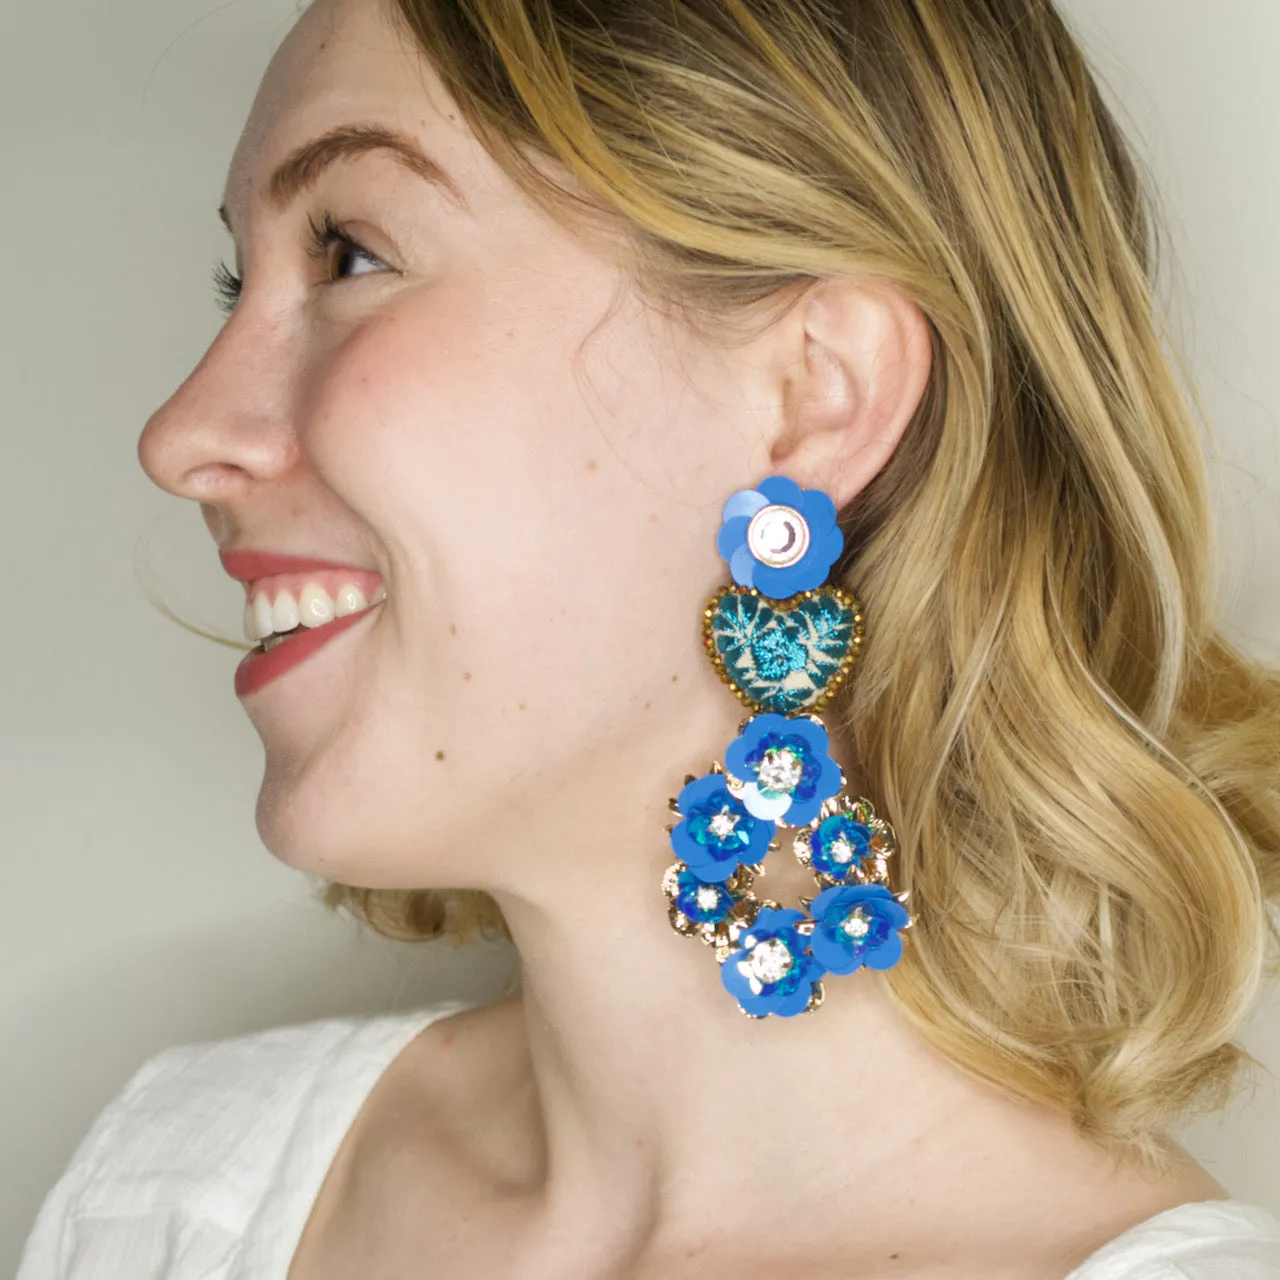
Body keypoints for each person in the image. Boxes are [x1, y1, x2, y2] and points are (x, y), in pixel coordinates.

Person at [18, 0, 1280, 1275]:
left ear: (808, 396)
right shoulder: (171, 1194)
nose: (179, 435)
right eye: (242, 278)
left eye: (349, 254)